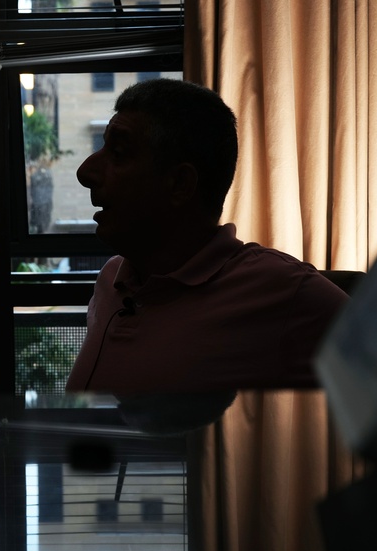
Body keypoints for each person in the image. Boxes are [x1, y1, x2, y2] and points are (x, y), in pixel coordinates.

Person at [65, 79, 349, 395]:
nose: (85, 172)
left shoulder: (285, 290)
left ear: (180, 184)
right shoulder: (111, 279)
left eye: (118, 153)